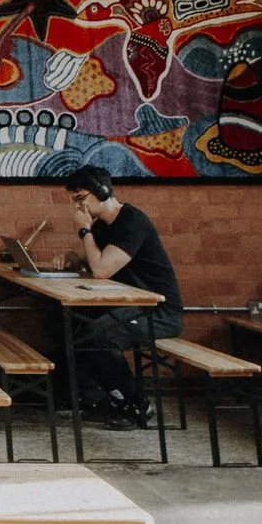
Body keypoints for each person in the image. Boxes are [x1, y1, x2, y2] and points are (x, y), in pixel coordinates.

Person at [63, 168, 183, 427]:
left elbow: (101, 269)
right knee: (62, 322)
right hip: (128, 305)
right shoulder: (103, 226)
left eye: (81, 198)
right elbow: (82, 257)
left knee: (101, 337)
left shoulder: (132, 222)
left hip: (157, 310)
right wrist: (67, 259)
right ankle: (100, 398)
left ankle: (137, 405)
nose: (79, 206)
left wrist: (84, 232)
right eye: (75, 200)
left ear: (102, 192)